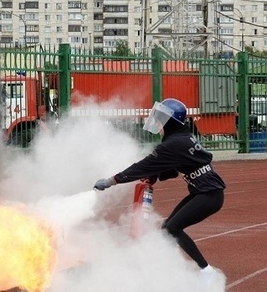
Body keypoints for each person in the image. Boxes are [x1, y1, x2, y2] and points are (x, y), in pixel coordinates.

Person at [93, 98, 226, 278]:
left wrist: (112, 181)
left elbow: (142, 166)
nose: (157, 122)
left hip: (209, 196)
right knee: (167, 229)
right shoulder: (182, 138)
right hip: (204, 192)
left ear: (171, 121)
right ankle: (167, 269)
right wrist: (155, 175)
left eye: (161, 118)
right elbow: (170, 170)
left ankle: (207, 271)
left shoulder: (174, 144)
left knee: (173, 229)